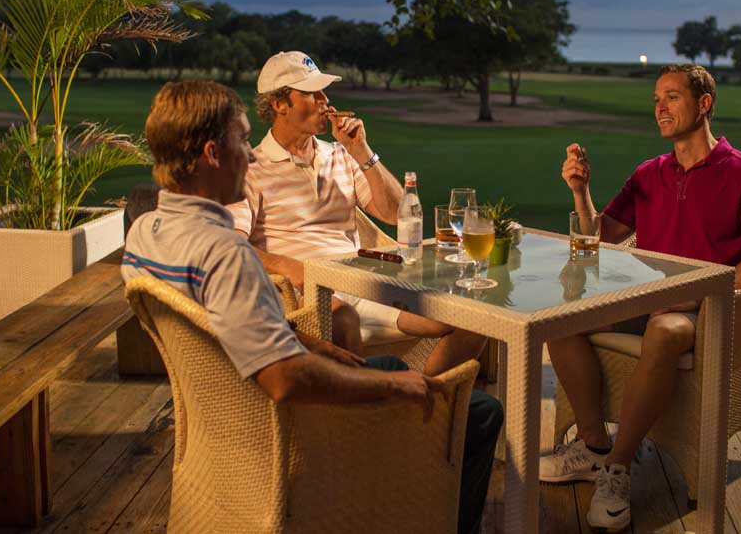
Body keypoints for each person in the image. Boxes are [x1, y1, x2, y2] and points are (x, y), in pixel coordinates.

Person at [122, 81, 502, 534]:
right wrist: (393, 386)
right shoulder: (226, 255)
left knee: (380, 363)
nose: (251, 153)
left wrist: (318, 346)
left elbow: (220, 324)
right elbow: (285, 379)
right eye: (242, 140)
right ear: (211, 154)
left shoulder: (145, 232)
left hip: (229, 420)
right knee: (476, 412)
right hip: (297, 429)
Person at [541, 64, 741, 532]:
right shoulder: (649, 174)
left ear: (705, 103)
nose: (660, 107)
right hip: (645, 302)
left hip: (711, 313)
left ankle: (618, 467)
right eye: (656, 99)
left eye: (672, 97)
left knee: (665, 327)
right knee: (560, 317)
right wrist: (581, 192)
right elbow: (600, 239)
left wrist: (694, 297)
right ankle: (594, 447)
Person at [227, 51, 487, 376]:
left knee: (476, 315)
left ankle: (424, 408)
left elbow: (396, 214)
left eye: (324, 91)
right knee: (342, 317)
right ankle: (377, 413)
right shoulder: (251, 166)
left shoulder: (340, 155)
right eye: (312, 93)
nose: (325, 100)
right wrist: (287, 266)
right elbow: (230, 244)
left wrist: (361, 151)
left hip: (363, 285)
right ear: (280, 104)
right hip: (304, 296)